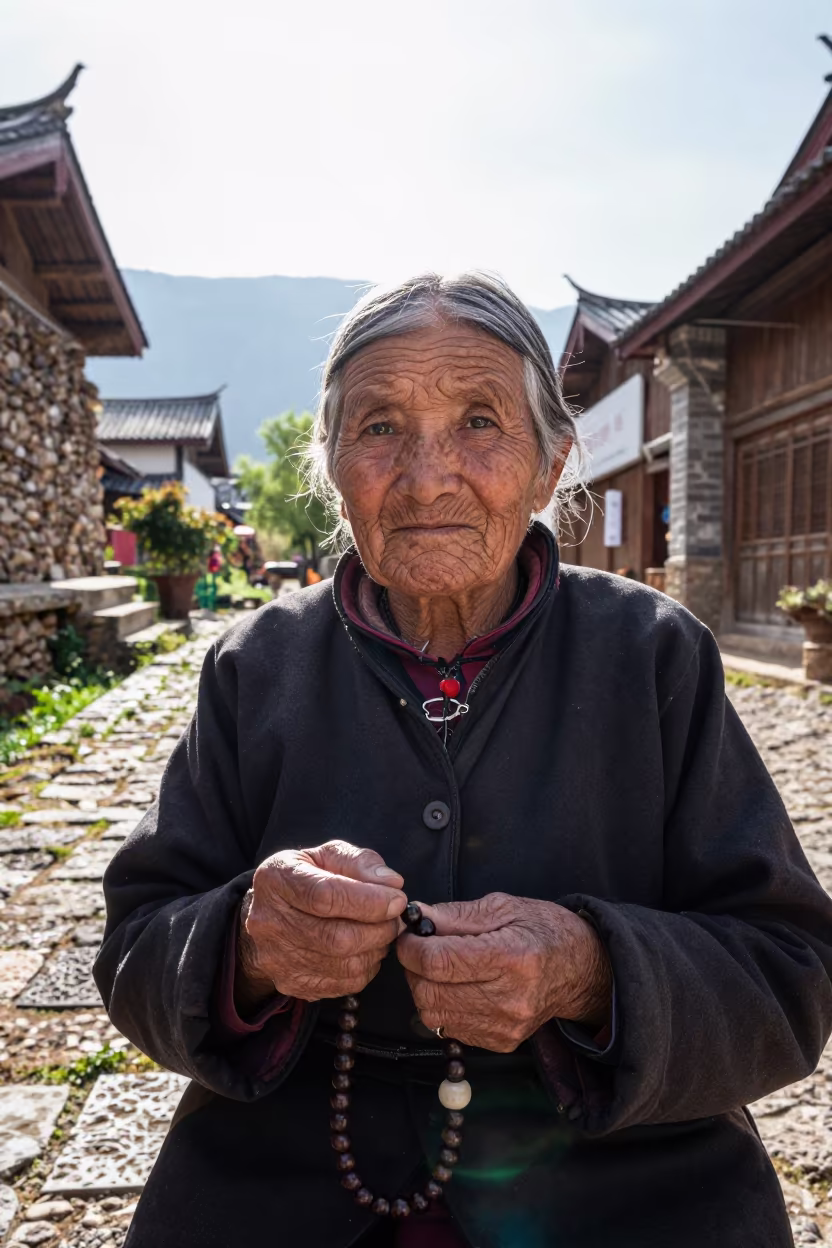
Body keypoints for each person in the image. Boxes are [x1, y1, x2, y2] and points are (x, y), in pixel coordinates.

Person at [95, 272, 832, 1248]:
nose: (427, 477)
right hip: (283, 1177)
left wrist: (591, 973)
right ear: (332, 464)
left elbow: (789, 978)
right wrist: (251, 948)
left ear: (549, 464)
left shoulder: (652, 653)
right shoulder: (256, 665)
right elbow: (136, 948)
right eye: (380, 427)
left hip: (629, 1188)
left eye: (479, 421)